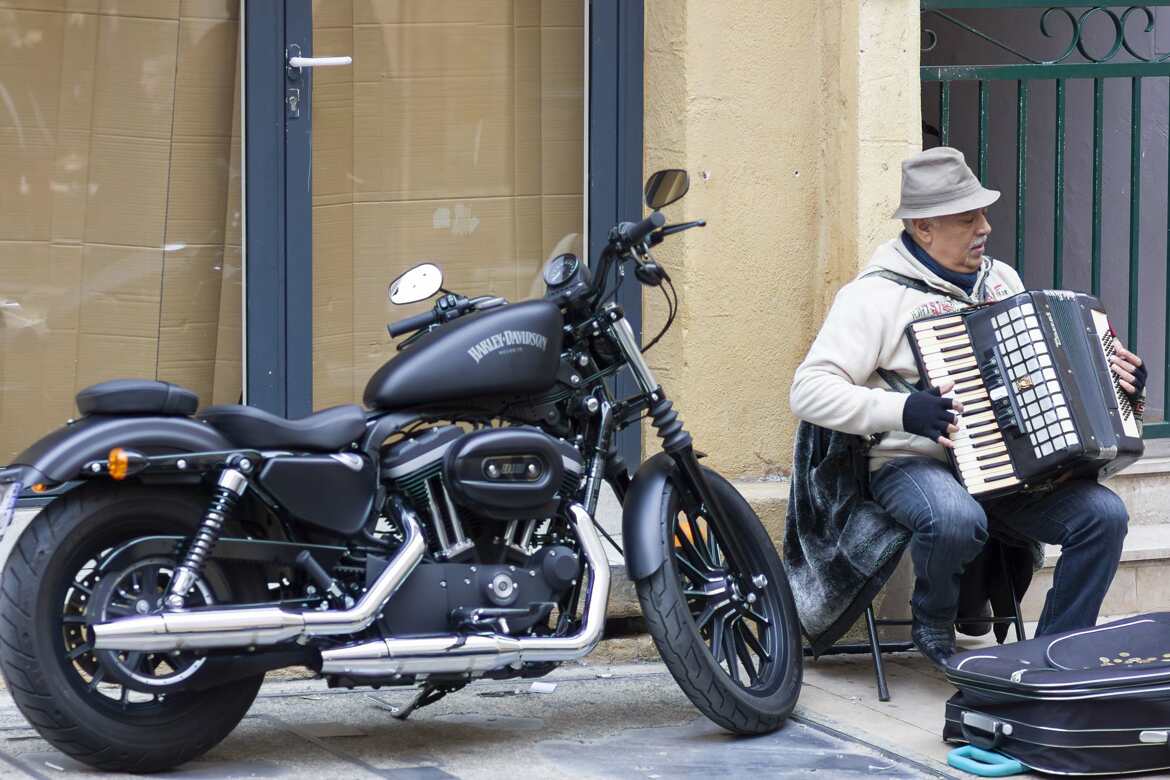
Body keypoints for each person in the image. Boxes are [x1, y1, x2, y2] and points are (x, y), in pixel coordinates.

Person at [789, 147, 1146, 666]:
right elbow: (808, 389)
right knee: (954, 517)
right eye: (967, 217)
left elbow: (1047, 379)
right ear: (923, 227)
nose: (985, 227)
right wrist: (902, 411)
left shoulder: (1003, 282)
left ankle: (1051, 655)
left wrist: (1125, 390)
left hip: (1010, 469)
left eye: (982, 213)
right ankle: (933, 624)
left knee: (1104, 516)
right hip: (911, 463)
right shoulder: (873, 297)